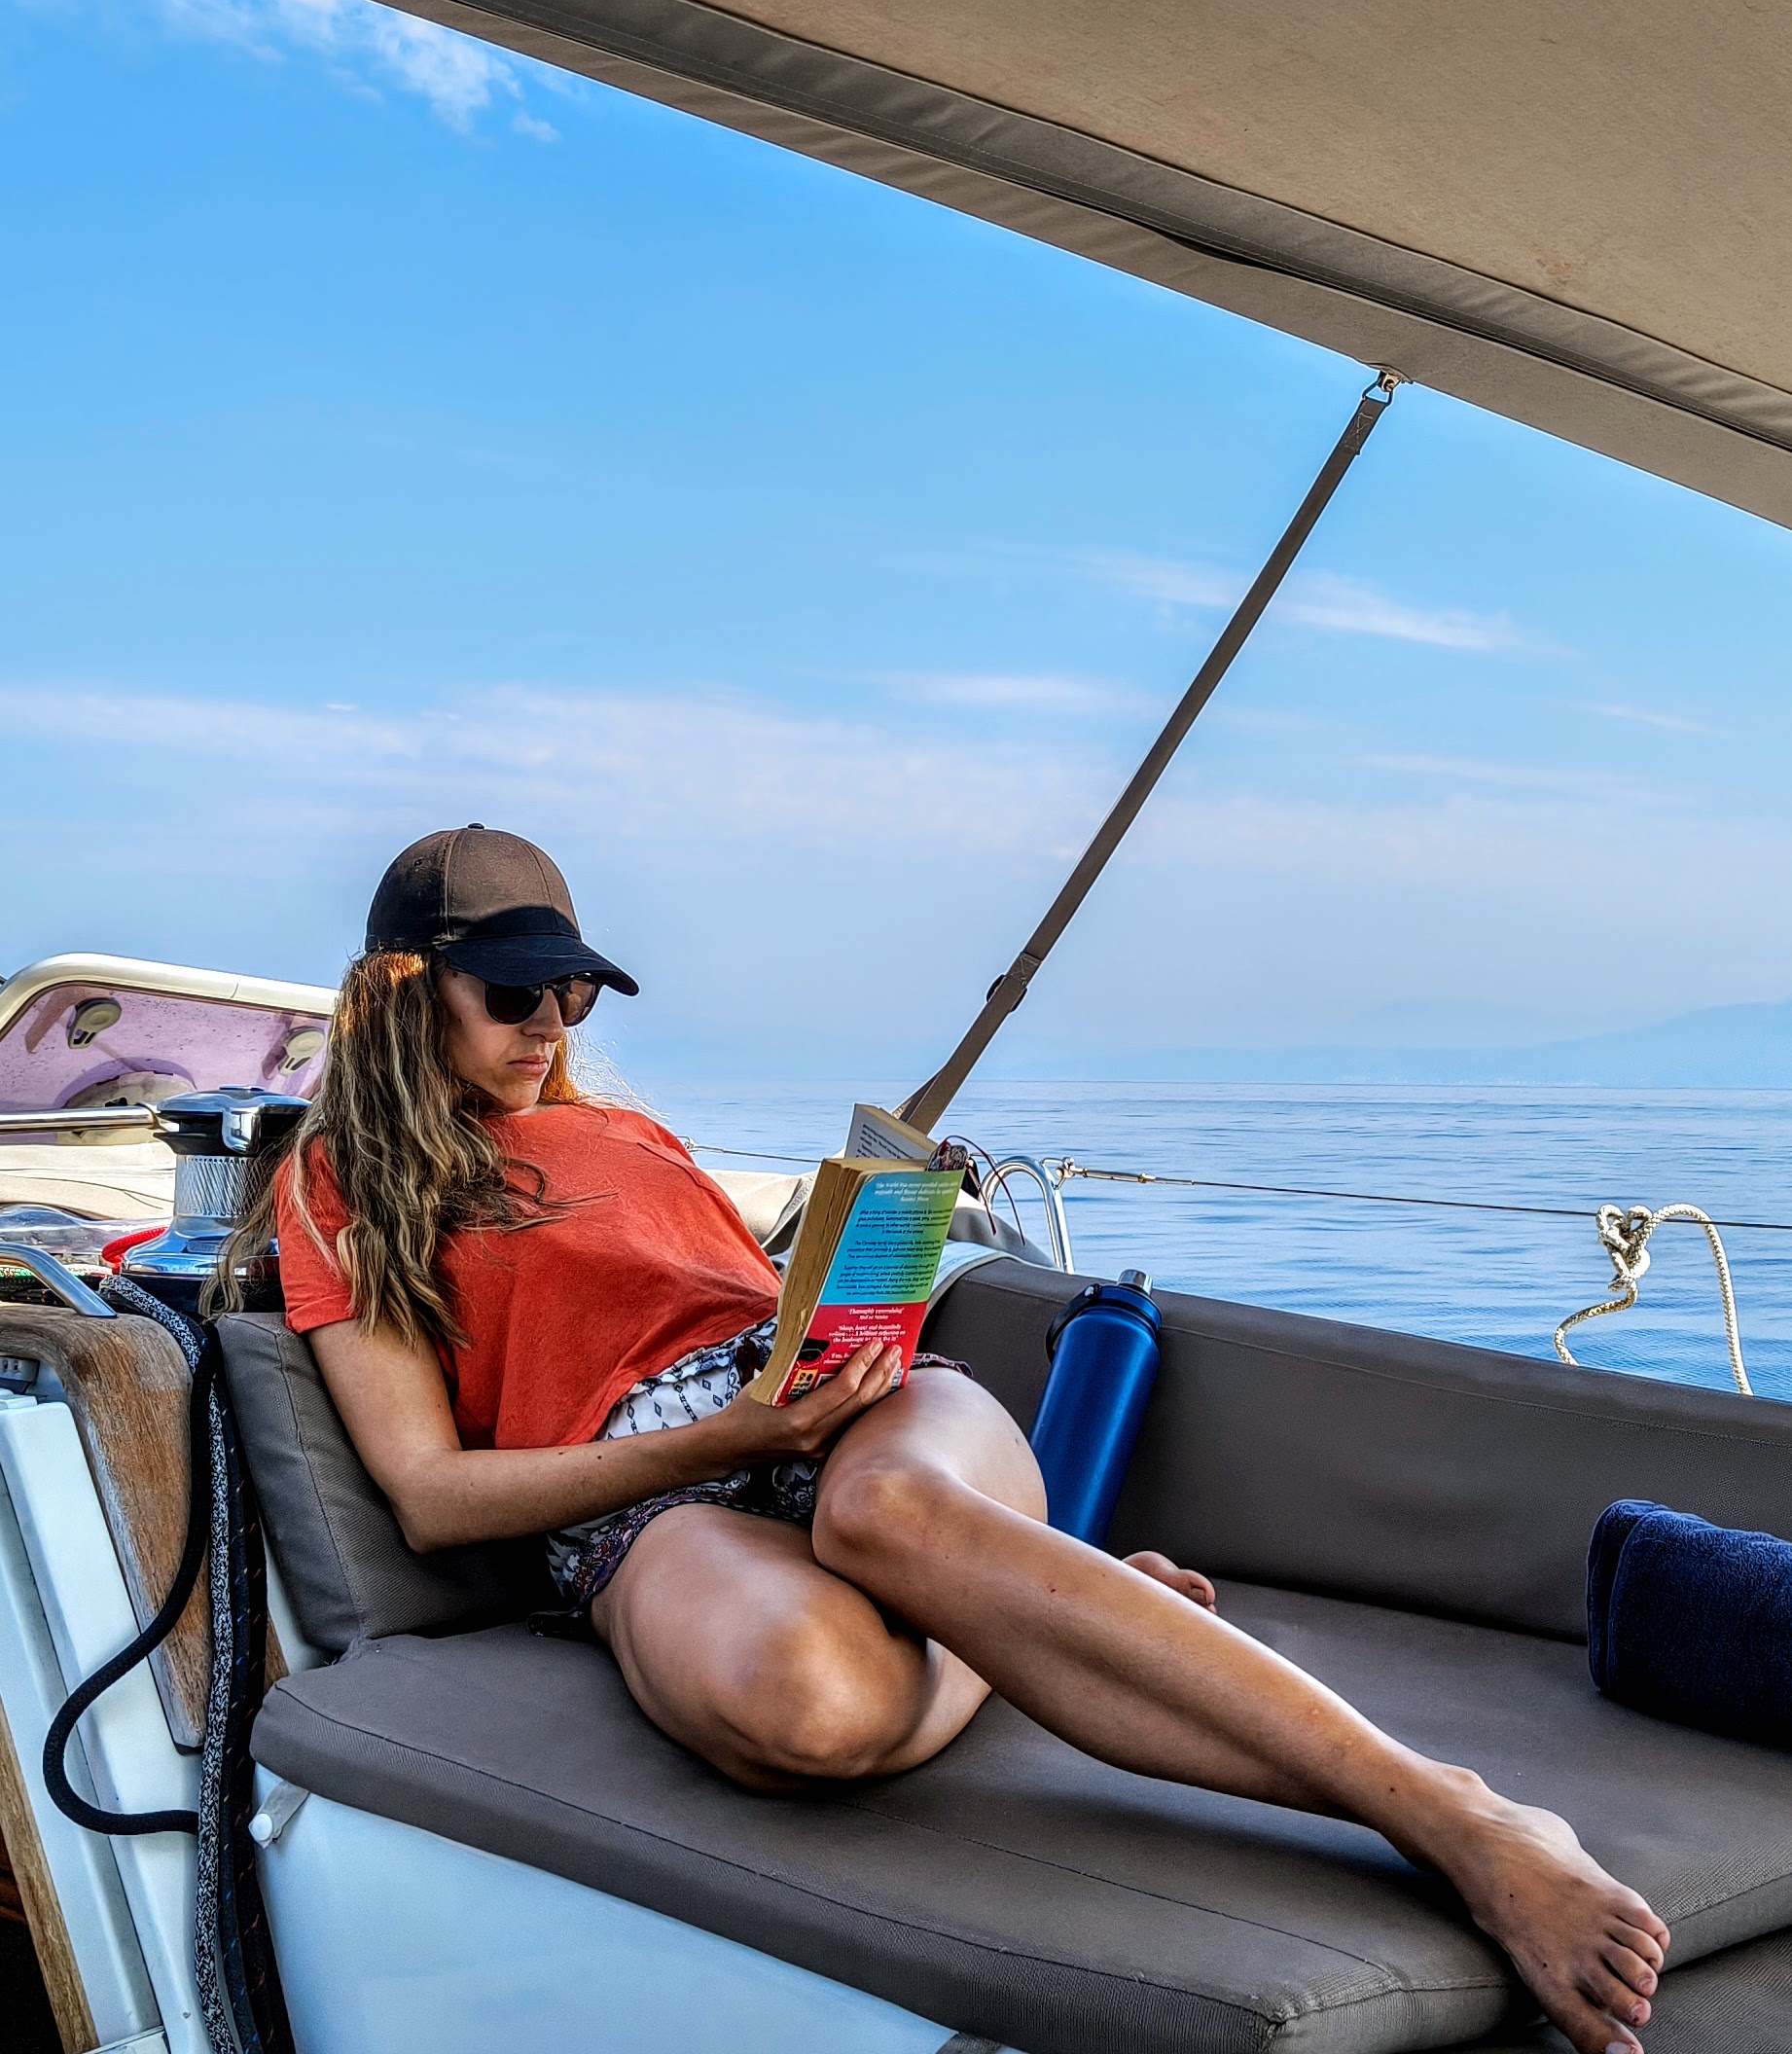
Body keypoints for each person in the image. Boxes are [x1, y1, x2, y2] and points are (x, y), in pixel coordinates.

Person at [234, 826, 1667, 2054]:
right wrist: (718, 1442)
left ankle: (1458, 1818)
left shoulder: (636, 1137)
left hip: (860, 1422)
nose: (551, 1025)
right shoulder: (338, 1186)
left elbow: (741, 1299)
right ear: (401, 995)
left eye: (575, 996)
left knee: (886, 1523)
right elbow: (428, 1498)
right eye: (514, 994)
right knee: (805, 1714)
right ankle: (1043, 1608)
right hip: (651, 1500)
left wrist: (859, 1263)